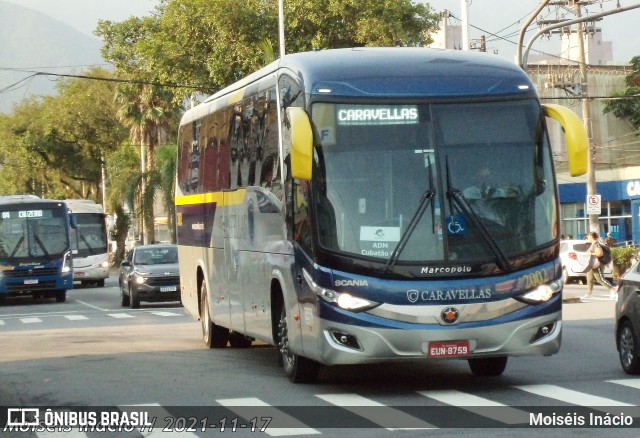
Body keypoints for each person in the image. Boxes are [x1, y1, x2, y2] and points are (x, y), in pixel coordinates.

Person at [581, 231, 617, 302]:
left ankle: (612, 289)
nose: (588, 237)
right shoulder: (593, 244)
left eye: (589, 236)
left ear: (592, 237)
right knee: (589, 278)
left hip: (597, 264)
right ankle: (589, 293)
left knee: (600, 279)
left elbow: (599, 254)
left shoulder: (596, 244)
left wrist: (591, 253)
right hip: (592, 264)